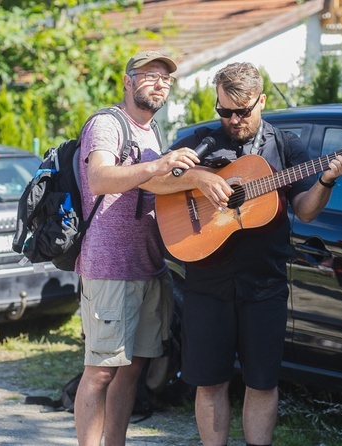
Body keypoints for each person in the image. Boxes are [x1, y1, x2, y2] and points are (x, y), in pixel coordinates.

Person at [167, 61, 342, 446]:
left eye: (243, 111)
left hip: (265, 283)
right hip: (207, 282)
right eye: (225, 111)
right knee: (210, 381)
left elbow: (305, 209)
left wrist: (326, 180)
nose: (233, 120)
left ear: (261, 101)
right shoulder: (201, 141)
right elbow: (153, 179)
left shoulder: (286, 146)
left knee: (262, 381)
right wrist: (199, 177)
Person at [73, 50, 201, 446]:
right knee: (99, 371)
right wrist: (158, 166)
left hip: (149, 266)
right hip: (109, 266)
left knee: (132, 370)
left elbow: (157, 188)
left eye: (166, 78)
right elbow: (99, 178)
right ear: (127, 82)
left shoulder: (153, 132)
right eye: (149, 75)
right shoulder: (107, 124)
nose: (159, 83)